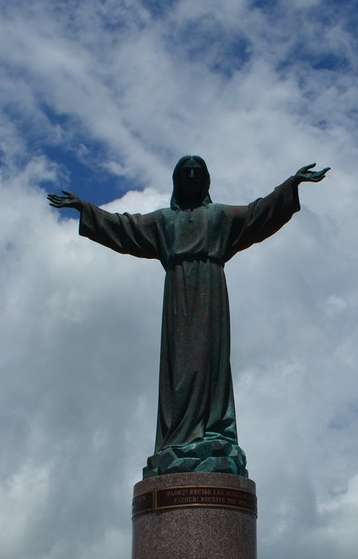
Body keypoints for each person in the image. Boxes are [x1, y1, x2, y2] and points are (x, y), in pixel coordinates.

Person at [48, 156, 328, 477]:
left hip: (211, 292)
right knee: (180, 367)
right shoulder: (165, 221)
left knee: (210, 363)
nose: (192, 176)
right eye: (186, 172)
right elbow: (126, 226)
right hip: (178, 298)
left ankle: (214, 430)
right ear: (178, 180)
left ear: (205, 179)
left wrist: (291, 184)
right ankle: (177, 439)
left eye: (198, 172)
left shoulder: (220, 216)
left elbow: (257, 213)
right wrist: (85, 208)